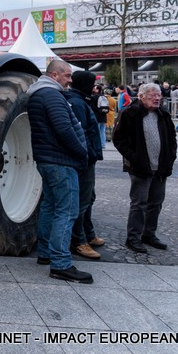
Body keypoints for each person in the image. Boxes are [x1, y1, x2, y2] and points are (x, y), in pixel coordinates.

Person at [27, 60, 91, 283]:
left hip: (48, 160)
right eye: (67, 75)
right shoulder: (51, 95)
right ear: (54, 75)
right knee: (66, 211)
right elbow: (64, 128)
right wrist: (82, 151)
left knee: (50, 206)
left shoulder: (40, 94)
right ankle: (61, 263)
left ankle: (45, 253)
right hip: (61, 161)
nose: (70, 80)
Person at [113, 82, 177, 253]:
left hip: (160, 168)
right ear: (141, 97)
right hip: (140, 168)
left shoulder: (163, 114)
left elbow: (172, 139)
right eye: (152, 95)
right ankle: (133, 238)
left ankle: (149, 234)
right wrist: (134, 159)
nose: (157, 98)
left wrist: (170, 158)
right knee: (139, 203)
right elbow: (118, 139)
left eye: (158, 95)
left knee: (156, 203)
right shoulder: (129, 113)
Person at [65, 72, 104, 260]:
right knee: (82, 201)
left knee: (89, 198)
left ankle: (88, 234)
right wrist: (89, 154)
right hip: (85, 159)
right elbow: (82, 133)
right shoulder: (79, 103)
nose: (95, 87)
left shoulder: (80, 100)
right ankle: (79, 240)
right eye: (92, 84)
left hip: (88, 157)